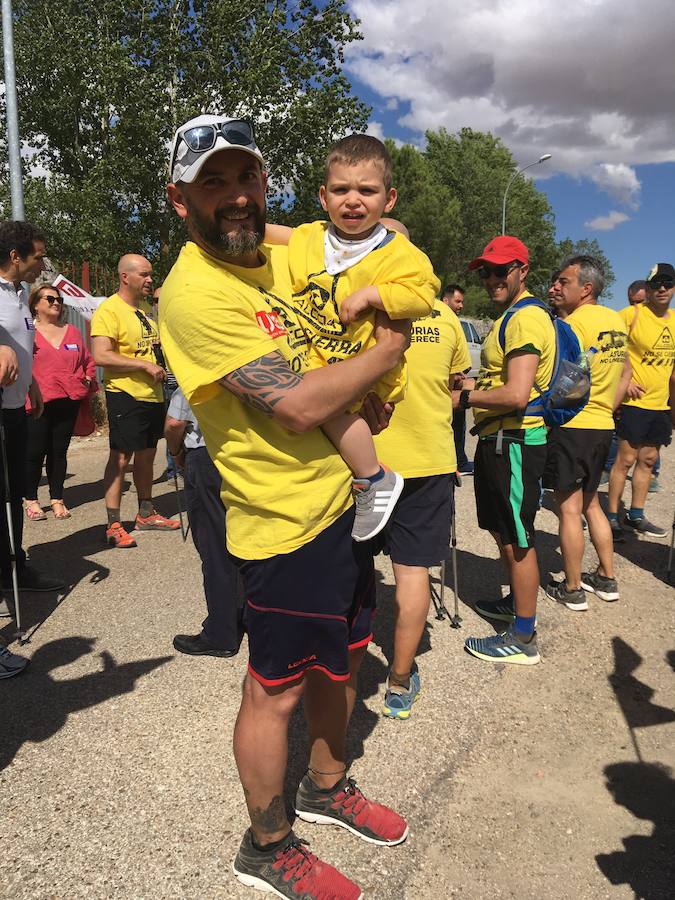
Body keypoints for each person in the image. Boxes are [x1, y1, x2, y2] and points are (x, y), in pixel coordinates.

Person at [162, 114, 409, 899]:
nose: (236, 198)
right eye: (214, 183)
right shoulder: (194, 291)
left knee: (345, 659)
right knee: (277, 689)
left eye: (247, 179)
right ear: (179, 199)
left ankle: (326, 786)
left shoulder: (274, 249)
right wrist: (385, 356)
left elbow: (373, 228)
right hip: (282, 525)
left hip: (345, 504)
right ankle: (266, 845)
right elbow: (298, 406)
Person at [266, 134, 438, 541]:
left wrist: (373, 294)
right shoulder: (312, 237)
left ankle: (373, 477)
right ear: (324, 197)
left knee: (334, 413)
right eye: (341, 190)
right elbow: (276, 234)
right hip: (319, 359)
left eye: (367, 190)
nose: (353, 200)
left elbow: (422, 295)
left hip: (365, 370)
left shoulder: (401, 255)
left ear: (389, 199)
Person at [453, 236, 555, 666]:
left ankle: (523, 636)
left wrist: (464, 399)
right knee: (502, 531)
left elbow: (516, 394)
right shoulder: (511, 316)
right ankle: (516, 605)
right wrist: (472, 386)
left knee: (517, 539)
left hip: (514, 440)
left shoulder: (526, 319)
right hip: (500, 441)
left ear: (522, 270)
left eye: (501, 269)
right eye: (486, 271)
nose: (492, 278)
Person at [374, 284, 471, 718]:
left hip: (365, 454)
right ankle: (399, 680)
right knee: (412, 572)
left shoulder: (358, 306)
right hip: (429, 457)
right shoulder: (446, 317)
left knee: (352, 564)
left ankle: (334, 664)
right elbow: (456, 384)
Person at [542, 256, 628, 609]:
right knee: (592, 503)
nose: (556, 288)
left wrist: (549, 412)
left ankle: (573, 586)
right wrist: (608, 406)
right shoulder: (615, 321)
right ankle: (606, 577)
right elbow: (626, 373)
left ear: (586, 288)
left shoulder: (571, 325)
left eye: (564, 282)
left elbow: (565, 380)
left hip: (573, 426)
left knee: (568, 508)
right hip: (603, 425)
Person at [91, 254, 180, 548]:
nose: (150, 279)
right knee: (120, 458)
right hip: (125, 394)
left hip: (152, 395)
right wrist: (143, 365)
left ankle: (146, 512)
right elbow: (101, 355)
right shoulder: (109, 310)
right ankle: (113, 523)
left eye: (151, 274)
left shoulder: (143, 309)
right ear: (125, 277)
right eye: (144, 274)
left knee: (147, 454)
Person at [0, 220, 65, 599]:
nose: (42, 265)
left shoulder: (18, 292)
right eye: (37, 257)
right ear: (14, 255)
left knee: (17, 490)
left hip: (17, 405)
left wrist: (33, 384)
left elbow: (21, 347)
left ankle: (15, 563)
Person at [164, 387, 241, 657]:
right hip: (248, 454)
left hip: (208, 456)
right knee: (247, 537)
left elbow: (175, 423)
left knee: (214, 547)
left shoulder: (197, 369)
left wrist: (175, 454)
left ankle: (221, 632)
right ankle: (252, 614)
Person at [607, 263, 675, 540]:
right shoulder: (629, 315)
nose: (662, 288)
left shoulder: (673, 320)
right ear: (647, 287)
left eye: (667, 283)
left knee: (648, 460)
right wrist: (625, 382)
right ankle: (612, 516)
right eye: (656, 283)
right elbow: (608, 352)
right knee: (625, 460)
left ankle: (636, 514)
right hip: (635, 403)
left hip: (662, 405)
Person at [23, 285, 96, 520]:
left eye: (59, 299)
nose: (56, 302)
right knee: (35, 451)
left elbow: (88, 360)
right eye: (50, 298)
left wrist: (87, 378)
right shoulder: (27, 330)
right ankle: (31, 499)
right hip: (38, 401)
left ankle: (57, 497)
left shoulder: (72, 331)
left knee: (59, 452)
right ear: (35, 304)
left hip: (68, 399)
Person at [600, 278, 659, 491]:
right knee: (620, 439)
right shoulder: (623, 318)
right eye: (632, 301)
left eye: (641, 301)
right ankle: (607, 470)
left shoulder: (663, 322)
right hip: (628, 395)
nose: (636, 307)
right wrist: (627, 381)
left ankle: (652, 474)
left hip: (657, 401)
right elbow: (612, 354)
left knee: (649, 451)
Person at [441, 283, 474, 475]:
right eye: (458, 301)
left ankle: (457, 460)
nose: (461, 306)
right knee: (457, 419)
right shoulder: (450, 323)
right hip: (446, 387)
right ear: (446, 300)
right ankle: (459, 462)